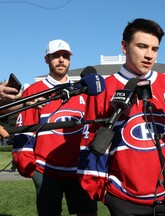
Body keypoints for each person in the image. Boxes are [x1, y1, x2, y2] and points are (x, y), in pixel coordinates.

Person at [77, 18, 165, 216]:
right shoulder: (104, 90)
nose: (148, 55)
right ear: (124, 46)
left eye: (154, 49)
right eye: (142, 46)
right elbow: (90, 144)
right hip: (124, 201)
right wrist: (104, 192)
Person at [12, 39, 97, 216]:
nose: (61, 60)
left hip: (79, 170)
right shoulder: (35, 91)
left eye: (65, 56)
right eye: (56, 56)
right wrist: (28, 165)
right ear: (46, 59)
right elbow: (23, 129)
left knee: (88, 212)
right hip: (46, 170)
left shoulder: (81, 90)